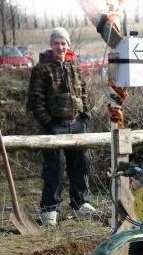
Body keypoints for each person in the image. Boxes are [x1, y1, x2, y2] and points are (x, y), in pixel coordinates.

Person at [26, 27, 96, 226]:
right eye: (56, 43)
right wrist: (48, 123)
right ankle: (49, 209)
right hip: (54, 126)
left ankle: (80, 204)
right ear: (51, 45)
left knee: (81, 164)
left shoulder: (75, 65)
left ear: (68, 45)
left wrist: (85, 116)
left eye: (63, 43)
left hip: (77, 124)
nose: (60, 47)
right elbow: (35, 100)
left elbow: (84, 91)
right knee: (54, 168)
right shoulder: (41, 69)